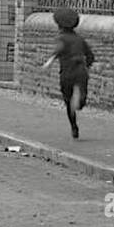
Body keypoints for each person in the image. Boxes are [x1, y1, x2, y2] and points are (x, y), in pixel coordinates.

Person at [42, 7, 95, 139]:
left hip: (66, 72)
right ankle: (79, 100)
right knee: (81, 97)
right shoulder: (80, 39)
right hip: (80, 70)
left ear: (59, 25)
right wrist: (87, 66)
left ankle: (74, 126)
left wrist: (50, 61)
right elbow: (90, 56)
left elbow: (59, 50)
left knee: (68, 101)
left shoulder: (61, 38)